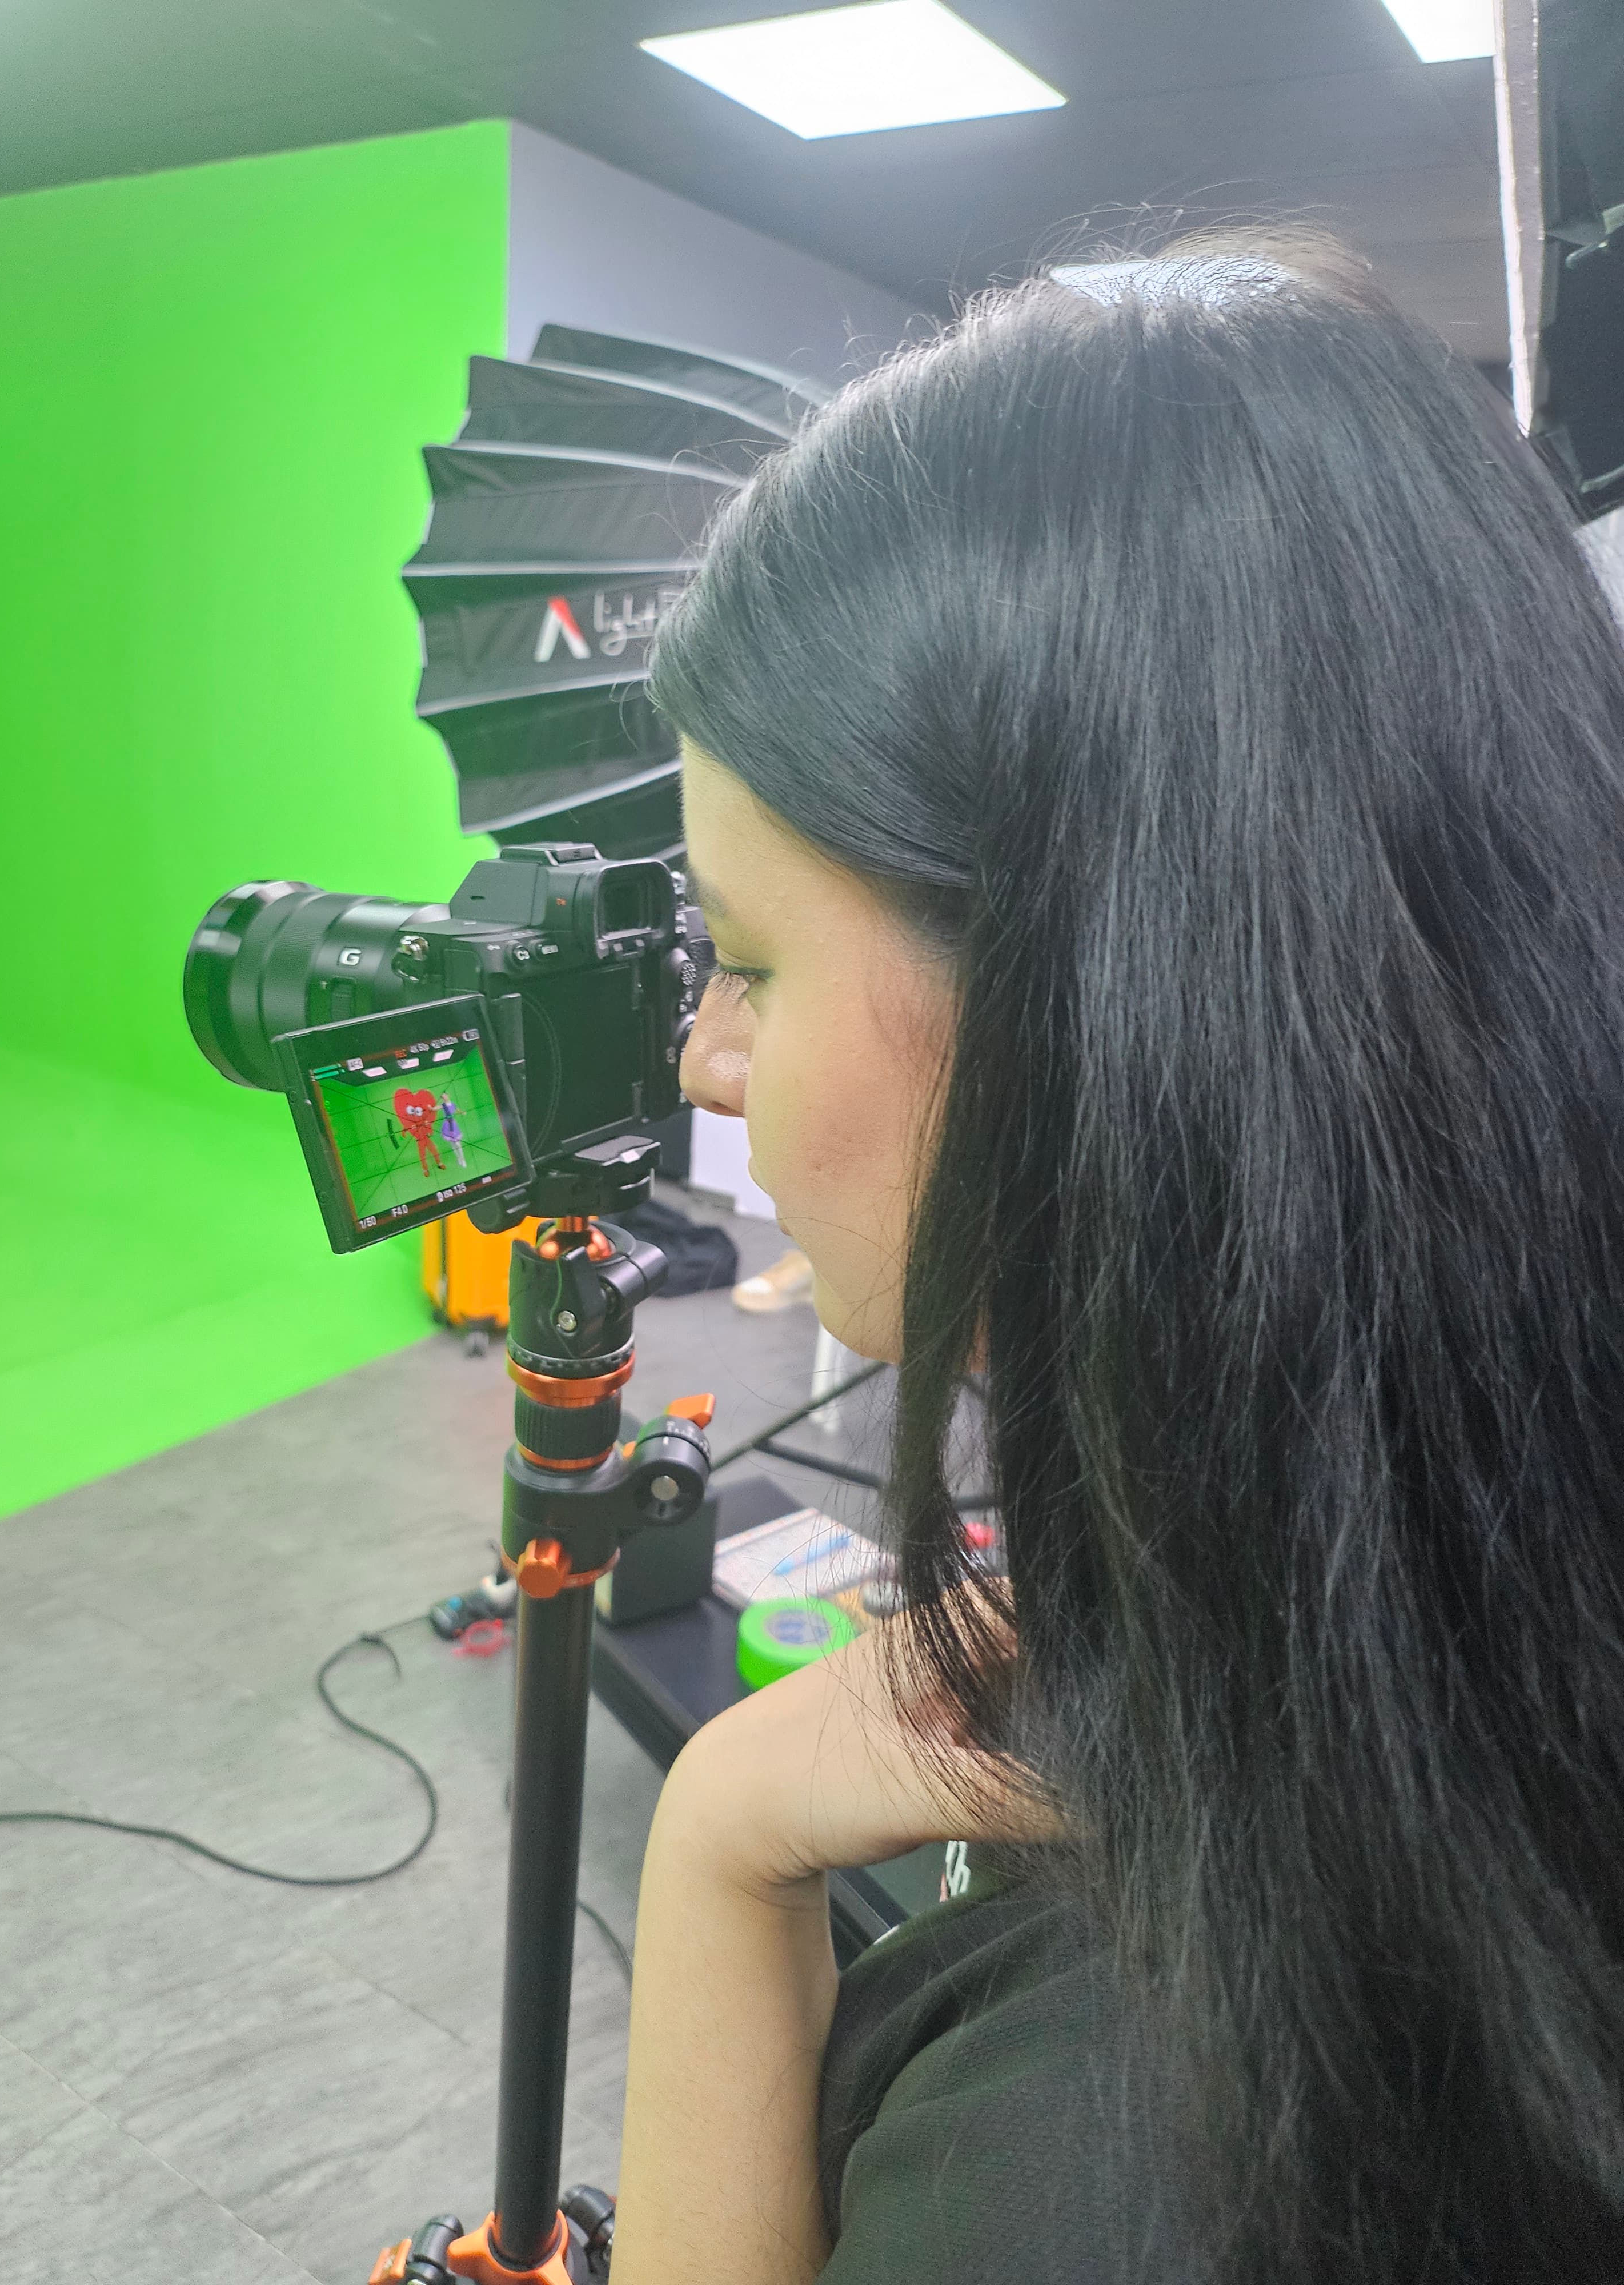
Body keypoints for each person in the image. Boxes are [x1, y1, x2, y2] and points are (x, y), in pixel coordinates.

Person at [607, 231, 1624, 2285]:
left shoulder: (1111, 2154)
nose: (705, 1055)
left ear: (1095, 1010)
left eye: (748, 955)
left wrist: (716, 1868)